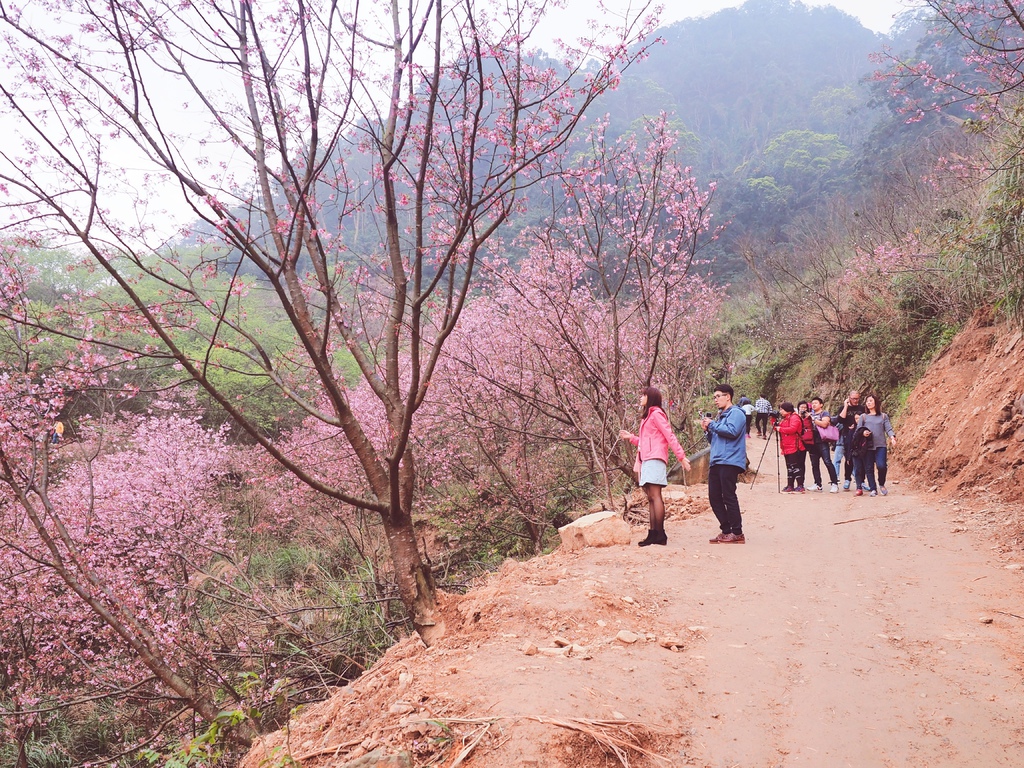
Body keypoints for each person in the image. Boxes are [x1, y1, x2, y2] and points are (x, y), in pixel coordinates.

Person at [620, 386, 691, 546]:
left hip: (655, 458)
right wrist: (631, 437)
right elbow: (646, 441)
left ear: (650, 398)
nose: (640, 398)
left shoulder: (656, 414)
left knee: (655, 495)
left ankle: (660, 534)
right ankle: (653, 534)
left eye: (643, 395)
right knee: (651, 497)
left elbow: (669, 435)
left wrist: (681, 456)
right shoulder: (647, 417)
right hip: (647, 458)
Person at [701, 384, 748, 543]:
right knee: (714, 497)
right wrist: (707, 430)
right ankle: (726, 530)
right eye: (714, 397)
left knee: (728, 496)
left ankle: (737, 533)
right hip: (717, 460)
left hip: (730, 460)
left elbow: (732, 431)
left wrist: (712, 424)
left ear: (728, 397)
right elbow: (715, 440)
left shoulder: (736, 413)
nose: (715, 400)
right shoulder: (721, 416)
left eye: (718, 396)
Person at [853, 393, 898, 497]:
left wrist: (892, 437)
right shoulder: (863, 417)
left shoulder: (883, 416)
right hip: (867, 446)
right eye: (867, 401)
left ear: (876, 403)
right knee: (869, 468)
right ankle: (873, 489)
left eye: (871, 401)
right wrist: (863, 433)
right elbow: (858, 430)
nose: (868, 403)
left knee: (881, 466)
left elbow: (888, 429)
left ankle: (881, 483)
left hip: (880, 445)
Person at [834, 390, 866, 490]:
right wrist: (846, 405)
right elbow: (840, 420)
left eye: (857, 398)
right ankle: (847, 479)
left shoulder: (862, 408)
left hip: (860, 436)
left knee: (861, 459)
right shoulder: (843, 408)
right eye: (853, 399)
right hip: (846, 436)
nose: (855, 400)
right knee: (848, 458)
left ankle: (861, 481)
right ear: (849, 398)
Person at [808, 396, 839, 493]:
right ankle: (817, 484)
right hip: (812, 441)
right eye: (812, 403)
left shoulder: (824, 413)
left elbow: (825, 424)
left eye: (816, 403)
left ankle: (834, 483)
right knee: (814, 464)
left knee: (827, 462)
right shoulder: (810, 413)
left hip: (822, 441)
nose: (814, 405)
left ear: (821, 405)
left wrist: (813, 419)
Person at [776, 402, 806, 492]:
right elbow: (777, 428)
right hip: (786, 445)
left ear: (787, 410)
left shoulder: (795, 417)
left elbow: (793, 429)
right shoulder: (785, 418)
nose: (780, 411)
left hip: (795, 445)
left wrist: (780, 429)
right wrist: (773, 420)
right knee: (789, 467)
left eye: (782, 409)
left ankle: (800, 485)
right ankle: (790, 485)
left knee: (795, 466)